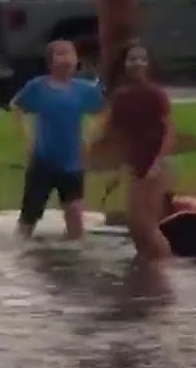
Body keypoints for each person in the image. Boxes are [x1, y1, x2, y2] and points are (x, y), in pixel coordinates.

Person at [12, 39, 105, 241]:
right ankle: (19, 255)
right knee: (29, 217)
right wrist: (27, 138)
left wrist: (91, 136)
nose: (66, 58)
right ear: (50, 62)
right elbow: (16, 106)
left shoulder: (84, 90)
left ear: (77, 60)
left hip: (72, 162)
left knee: (75, 216)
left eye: (70, 53)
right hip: (43, 160)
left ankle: (72, 261)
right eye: (60, 54)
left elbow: (104, 111)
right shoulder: (39, 87)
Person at [92, 40, 174, 260]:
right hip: (134, 166)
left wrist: (157, 163)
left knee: (145, 224)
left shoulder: (156, 95)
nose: (137, 63)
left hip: (155, 166)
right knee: (136, 227)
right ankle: (145, 271)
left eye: (142, 59)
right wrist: (115, 168)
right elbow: (116, 136)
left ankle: (165, 269)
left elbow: (169, 132)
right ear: (124, 64)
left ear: (148, 64)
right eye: (132, 58)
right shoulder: (120, 97)